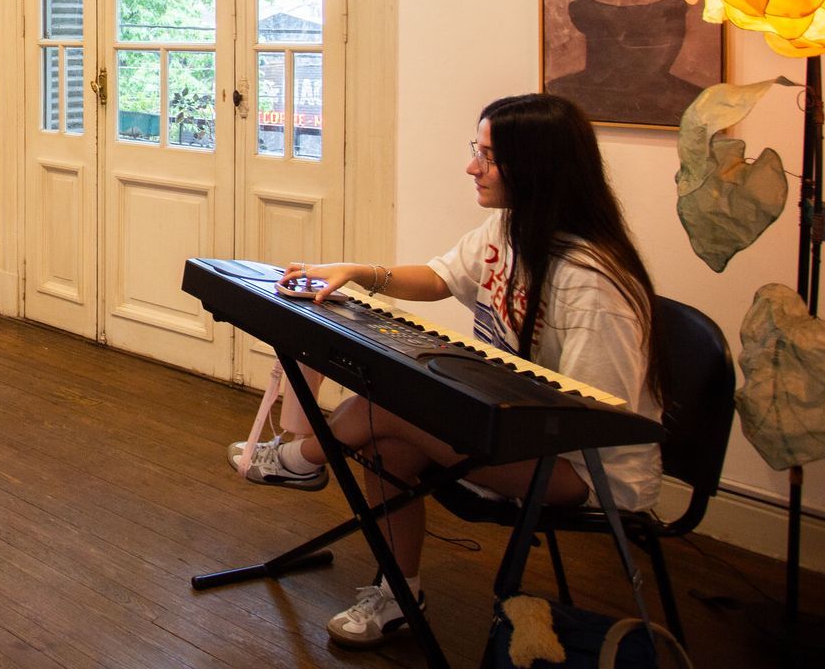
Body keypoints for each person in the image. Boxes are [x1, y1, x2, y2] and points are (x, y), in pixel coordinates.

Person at [230, 92, 666, 651]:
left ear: (535, 169)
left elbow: (588, 419)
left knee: (391, 401)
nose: (471, 167)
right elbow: (441, 278)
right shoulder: (509, 232)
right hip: (522, 435)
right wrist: (361, 272)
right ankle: (399, 594)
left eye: (487, 156)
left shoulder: (591, 283)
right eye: (474, 149)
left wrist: (461, 414)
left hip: (584, 472)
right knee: (392, 441)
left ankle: (300, 459)